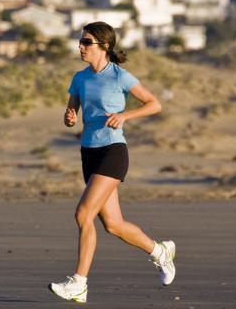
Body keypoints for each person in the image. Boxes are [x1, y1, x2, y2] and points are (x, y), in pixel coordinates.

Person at [48, 22, 176, 303]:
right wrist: (69, 117)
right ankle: (159, 252)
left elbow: (154, 104)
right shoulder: (79, 79)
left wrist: (125, 116)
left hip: (113, 151)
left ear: (103, 46)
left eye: (86, 42)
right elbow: (71, 112)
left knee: (83, 214)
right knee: (114, 225)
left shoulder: (120, 76)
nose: (80, 46)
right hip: (89, 152)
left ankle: (79, 283)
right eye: (80, 41)